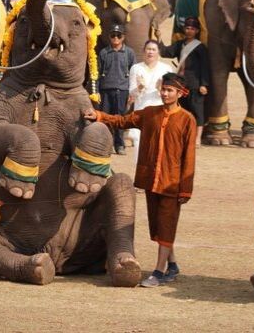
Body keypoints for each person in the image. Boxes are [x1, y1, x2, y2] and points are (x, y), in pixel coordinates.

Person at [84, 73, 196, 288]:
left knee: (165, 225)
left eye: (170, 90)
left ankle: (159, 272)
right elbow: (123, 121)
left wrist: (185, 190)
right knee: (159, 227)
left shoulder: (187, 120)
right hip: (151, 180)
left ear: (180, 93)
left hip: (172, 184)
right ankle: (172, 265)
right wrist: (99, 116)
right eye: (163, 89)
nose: (165, 93)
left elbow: (189, 158)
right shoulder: (150, 114)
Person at [160, 17, 210, 146]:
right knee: (182, 110)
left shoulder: (200, 47)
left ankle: (197, 138)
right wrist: (159, 39)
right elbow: (166, 52)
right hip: (181, 84)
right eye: (187, 28)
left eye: (192, 29)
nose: (189, 31)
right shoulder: (179, 44)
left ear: (197, 30)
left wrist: (204, 84)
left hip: (195, 85)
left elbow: (205, 67)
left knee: (197, 112)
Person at [127, 40, 175, 150]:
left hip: (159, 110)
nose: (150, 52)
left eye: (153, 50)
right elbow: (131, 93)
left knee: (157, 144)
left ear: (158, 52)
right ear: (144, 51)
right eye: (148, 49)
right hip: (141, 109)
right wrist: (139, 87)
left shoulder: (166, 69)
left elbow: (172, 93)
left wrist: (160, 89)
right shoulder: (136, 68)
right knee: (139, 144)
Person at [97, 24, 136, 155]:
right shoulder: (103, 53)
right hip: (105, 90)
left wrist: (132, 92)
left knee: (120, 119)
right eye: (113, 35)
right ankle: (105, 145)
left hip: (122, 91)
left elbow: (133, 73)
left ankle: (119, 145)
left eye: (118, 35)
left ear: (123, 37)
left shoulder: (129, 53)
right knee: (104, 118)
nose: (115, 38)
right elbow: (97, 74)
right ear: (109, 37)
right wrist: (96, 91)